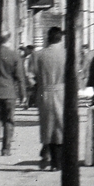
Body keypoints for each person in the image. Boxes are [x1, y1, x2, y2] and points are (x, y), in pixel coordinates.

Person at [35, 26, 67, 170]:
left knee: (48, 126)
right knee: (61, 126)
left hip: (45, 92)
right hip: (62, 92)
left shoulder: (39, 55)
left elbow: (31, 75)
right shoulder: (66, 54)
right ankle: (59, 162)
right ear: (61, 38)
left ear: (48, 38)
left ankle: (50, 156)